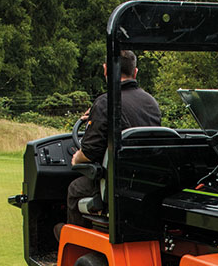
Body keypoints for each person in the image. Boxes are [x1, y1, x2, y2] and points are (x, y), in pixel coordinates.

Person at [63, 49, 163, 231]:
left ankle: (76, 242)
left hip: (116, 183)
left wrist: (77, 157)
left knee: (75, 189)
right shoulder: (151, 103)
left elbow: (90, 151)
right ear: (135, 72)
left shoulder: (106, 102)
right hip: (147, 181)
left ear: (106, 71)